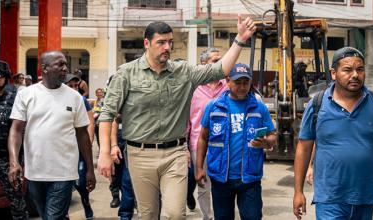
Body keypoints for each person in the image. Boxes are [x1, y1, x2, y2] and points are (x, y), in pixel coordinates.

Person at [98, 15, 257, 219]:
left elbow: (220, 69)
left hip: (175, 154)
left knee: (175, 214)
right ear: (147, 43)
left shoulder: (184, 72)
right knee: (148, 214)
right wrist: (104, 152)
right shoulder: (126, 74)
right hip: (140, 154)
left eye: (170, 42)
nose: (167, 47)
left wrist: (240, 39)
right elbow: (107, 113)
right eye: (161, 42)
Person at [293, 47, 373, 220]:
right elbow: (303, 148)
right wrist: (298, 191)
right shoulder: (317, 104)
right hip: (330, 200)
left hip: (365, 197)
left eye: (360, 69)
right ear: (334, 73)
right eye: (347, 70)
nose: (355, 74)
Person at [7, 50, 96, 220]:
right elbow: (16, 129)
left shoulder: (75, 97)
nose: (65, 68)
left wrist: (90, 169)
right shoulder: (26, 94)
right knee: (46, 215)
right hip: (34, 171)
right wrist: (14, 162)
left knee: (53, 217)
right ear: (44, 68)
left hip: (64, 171)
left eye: (65, 64)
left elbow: (82, 134)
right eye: (60, 64)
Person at [195, 63, 276, 220]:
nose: (242, 87)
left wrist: (266, 143)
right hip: (220, 178)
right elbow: (203, 138)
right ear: (228, 81)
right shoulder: (214, 106)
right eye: (238, 82)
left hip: (249, 179)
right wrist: (198, 168)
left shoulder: (259, 107)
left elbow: (272, 135)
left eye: (246, 83)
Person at [0, 60, 28, 219]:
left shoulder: (16, 99)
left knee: (17, 204)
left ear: (6, 78)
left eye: (0, 76)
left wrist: (17, 161)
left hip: (8, 161)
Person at [187, 47, 226, 219]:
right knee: (203, 184)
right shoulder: (193, 89)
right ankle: (207, 217)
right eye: (215, 61)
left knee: (222, 184)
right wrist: (184, 148)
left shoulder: (227, 87)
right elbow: (187, 120)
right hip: (198, 145)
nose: (220, 64)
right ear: (204, 64)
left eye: (220, 60)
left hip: (224, 145)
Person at [64, 73, 95, 219]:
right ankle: (63, 213)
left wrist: (88, 142)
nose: (74, 88)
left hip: (80, 148)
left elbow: (90, 121)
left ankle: (86, 202)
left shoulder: (82, 100)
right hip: (63, 150)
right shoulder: (58, 100)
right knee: (64, 184)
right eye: (70, 86)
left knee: (81, 182)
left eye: (76, 86)